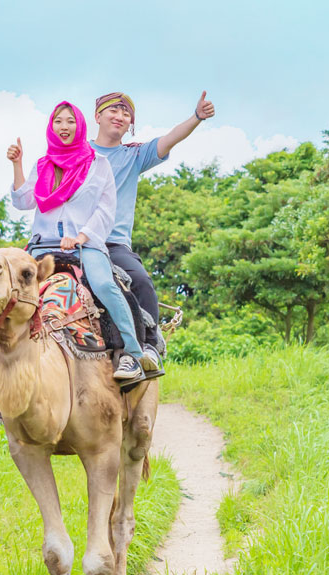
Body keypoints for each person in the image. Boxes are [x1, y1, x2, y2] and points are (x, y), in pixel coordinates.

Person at [0, 101, 146, 384]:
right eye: (58, 122)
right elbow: (23, 201)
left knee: (104, 285)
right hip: (41, 247)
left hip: (84, 245)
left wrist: (81, 237)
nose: (64, 127)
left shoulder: (98, 164)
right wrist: (17, 165)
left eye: (70, 122)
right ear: (51, 127)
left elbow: (105, 210)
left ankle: (133, 354)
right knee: (5, 287)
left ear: (80, 125)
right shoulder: (44, 164)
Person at [90, 91, 215, 370]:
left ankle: (148, 346)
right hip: (74, 242)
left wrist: (196, 117)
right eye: (114, 111)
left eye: (126, 114)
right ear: (97, 116)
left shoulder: (133, 156)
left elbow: (170, 138)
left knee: (142, 282)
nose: (120, 117)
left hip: (112, 246)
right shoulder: (78, 155)